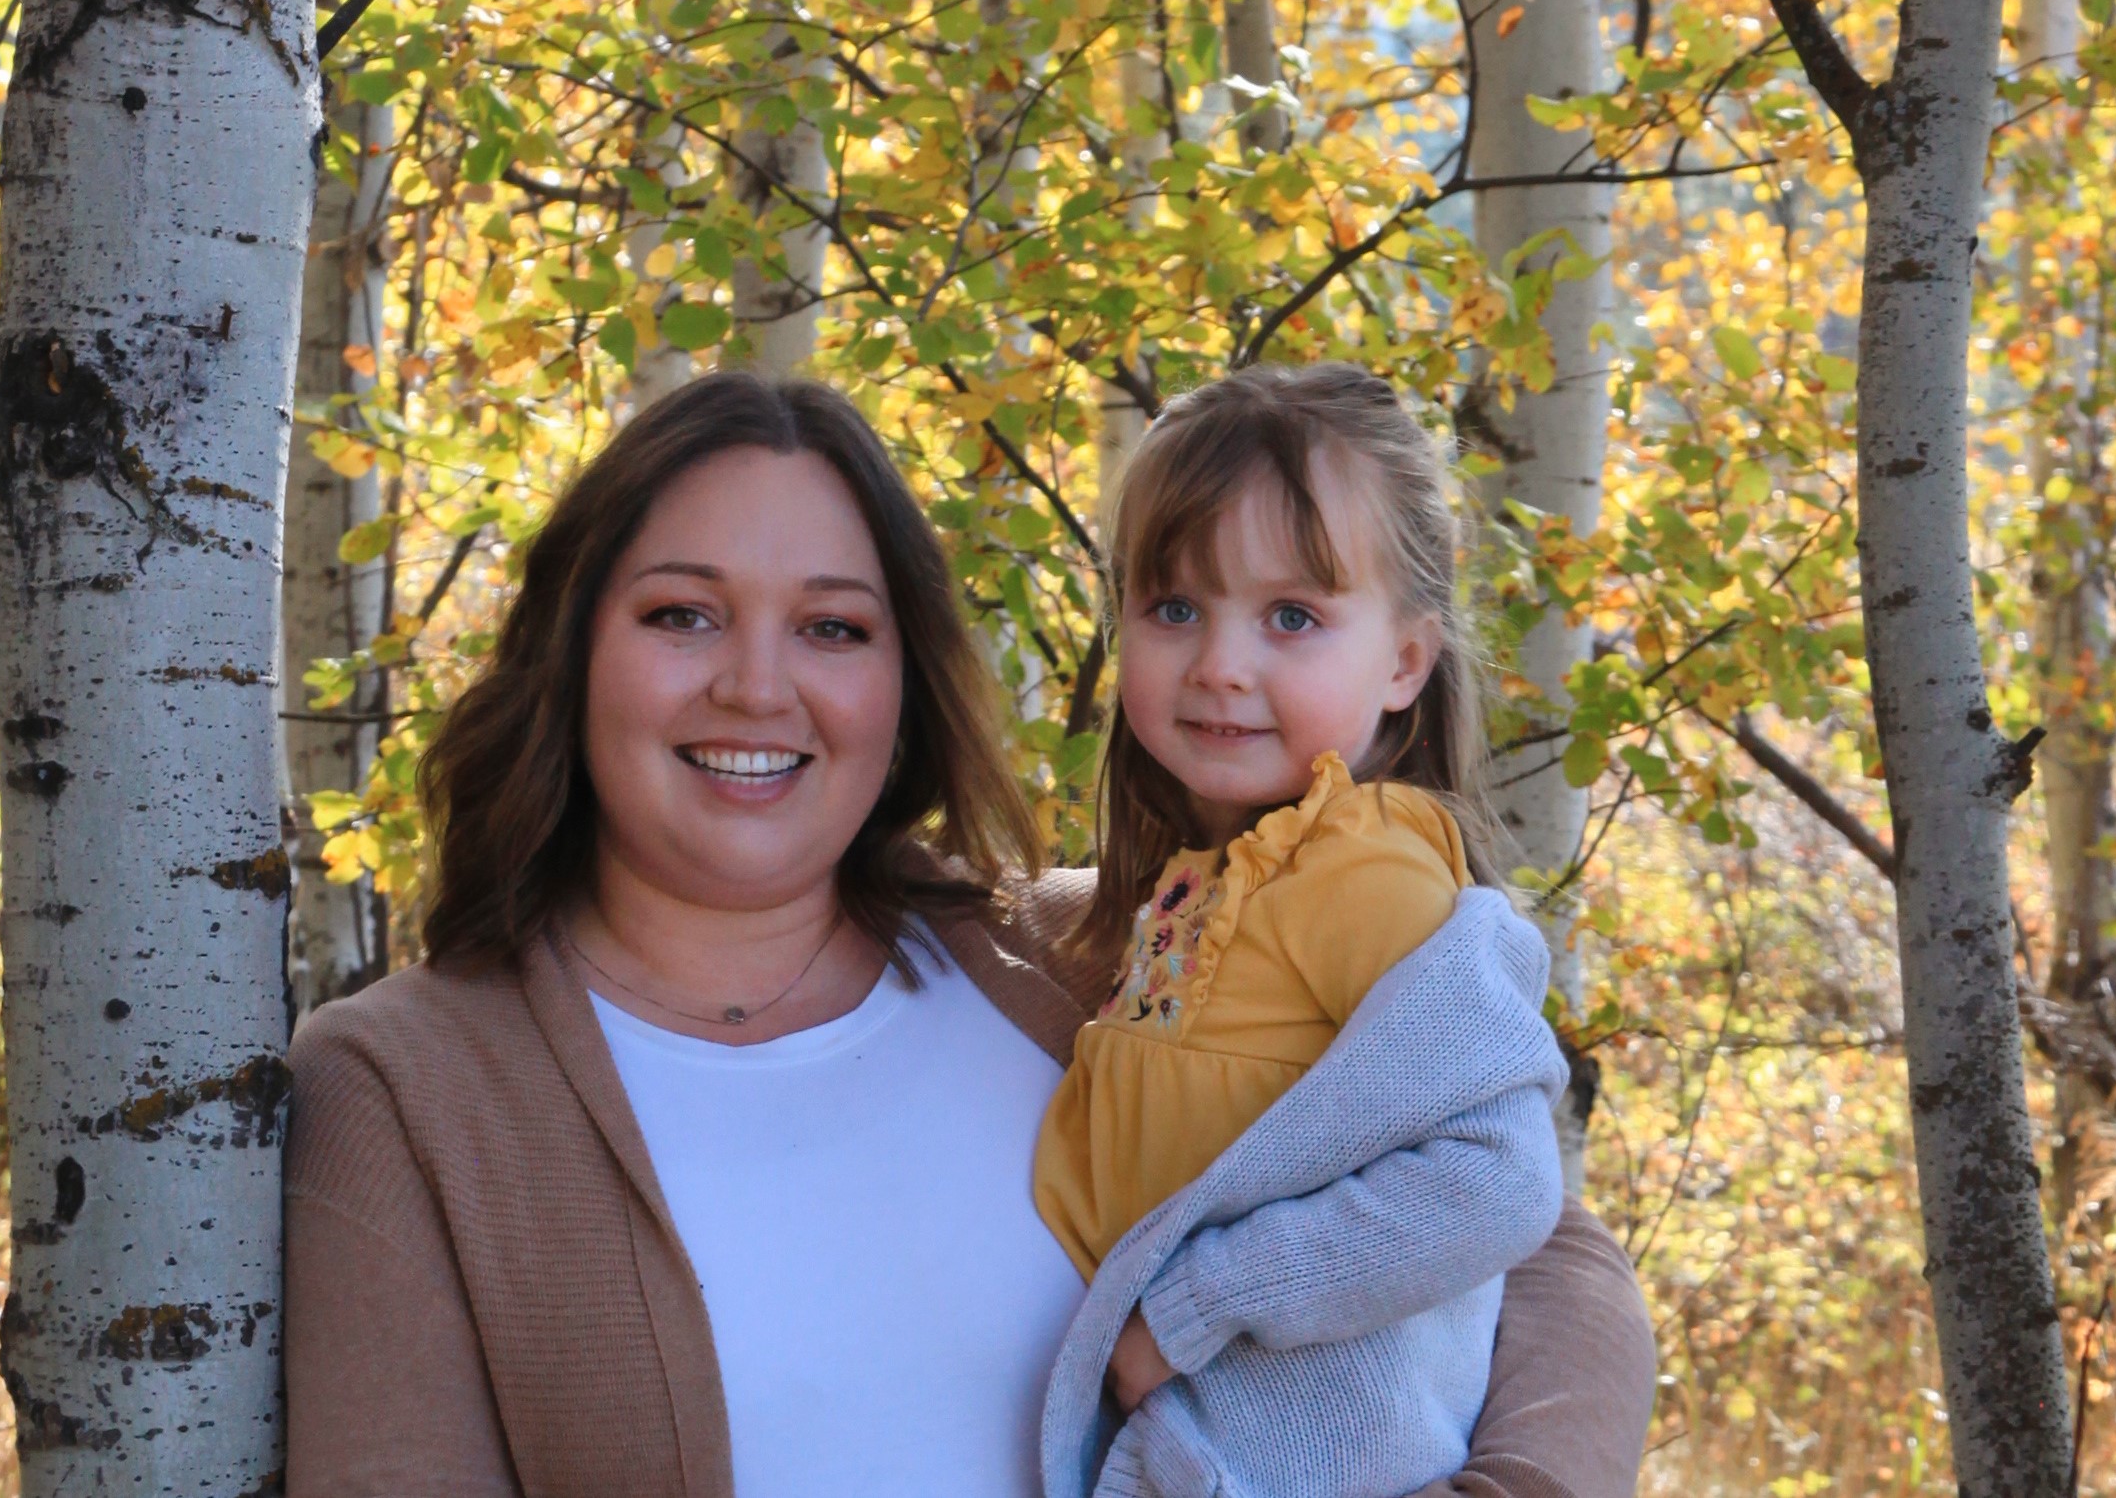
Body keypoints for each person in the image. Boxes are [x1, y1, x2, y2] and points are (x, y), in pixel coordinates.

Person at [283, 369, 1654, 1497]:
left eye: (830, 626)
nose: (757, 686)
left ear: (901, 682)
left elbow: (1538, 1248)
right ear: (571, 650)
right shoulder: (409, 1094)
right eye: (681, 614)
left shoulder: (1075, 958)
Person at [1030, 363, 1564, 1498]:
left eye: (1292, 617)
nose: (1221, 663)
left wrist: (1189, 1309)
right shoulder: (1199, 883)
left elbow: (1496, 1178)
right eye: (1173, 607)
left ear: (1403, 661)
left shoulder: (1360, 869)